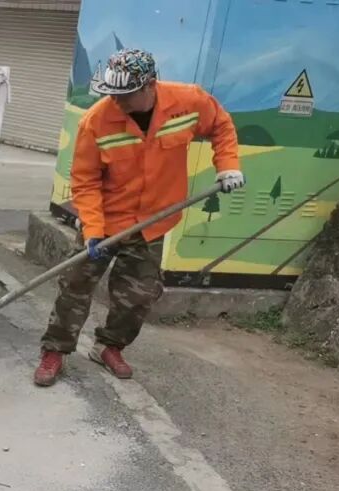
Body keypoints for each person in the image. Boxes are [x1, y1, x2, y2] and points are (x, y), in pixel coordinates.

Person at [33, 49, 245, 387]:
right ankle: (55, 350)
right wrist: (94, 229)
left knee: (139, 296)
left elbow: (221, 125)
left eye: (125, 95)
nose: (117, 102)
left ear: (150, 85)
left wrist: (228, 165)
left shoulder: (188, 102)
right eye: (112, 94)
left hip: (153, 221)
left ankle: (109, 346)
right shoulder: (96, 121)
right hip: (106, 220)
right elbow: (85, 180)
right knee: (75, 286)